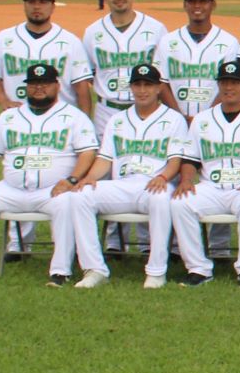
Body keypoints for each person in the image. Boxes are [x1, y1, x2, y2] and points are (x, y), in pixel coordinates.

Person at [0, 63, 98, 287]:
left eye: (44, 84)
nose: (39, 88)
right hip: (11, 189)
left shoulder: (73, 117)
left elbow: (88, 153)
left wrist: (72, 179)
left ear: (56, 86)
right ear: (26, 87)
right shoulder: (9, 117)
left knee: (67, 203)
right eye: (34, 84)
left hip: (52, 191)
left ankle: (60, 271)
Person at [66, 63, 190, 289]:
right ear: (131, 88)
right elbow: (105, 158)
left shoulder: (174, 120)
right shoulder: (117, 120)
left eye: (148, 85)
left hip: (154, 184)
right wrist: (89, 178)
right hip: (122, 185)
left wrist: (163, 177)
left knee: (161, 198)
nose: (142, 90)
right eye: (137, 85)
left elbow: (175, 161)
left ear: (158, 88)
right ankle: (94, 269)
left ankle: (156, 272)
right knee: (80, 196)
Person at [170, 62, 240, 287]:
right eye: (225, 82)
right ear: (218, 85)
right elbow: (190, 159)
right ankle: (198, 269)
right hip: (211, 187)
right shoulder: (202, 120)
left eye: (235, 82)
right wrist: (187, 180)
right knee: (180, 203)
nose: (229, 87)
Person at [0, 0, 92, 112]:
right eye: (31, 2)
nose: (37, 6)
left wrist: (85, 121)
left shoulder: (71, 41)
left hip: (61, 118)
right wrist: (3, 100)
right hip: (19, 116)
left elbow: (81, 86)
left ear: (53, 6)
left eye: (43, 2)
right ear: (24, 5)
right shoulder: (4, 38)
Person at [80, 0, 166, 136]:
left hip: (146, 110)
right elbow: (89, 74)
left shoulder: (156, 29)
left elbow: (163, 73)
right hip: (106, 111)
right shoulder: (92, 32)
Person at [155, 0, 239, 121]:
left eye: (203, 1)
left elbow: (231, 87)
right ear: (184, 5)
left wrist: (205, 119)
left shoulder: (229, 42)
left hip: (215, 121)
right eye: (192, 1)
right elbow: (161, 83)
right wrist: (180, 118)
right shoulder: (167, 42)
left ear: (213, 4)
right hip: (175, 121)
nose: (197, 6)